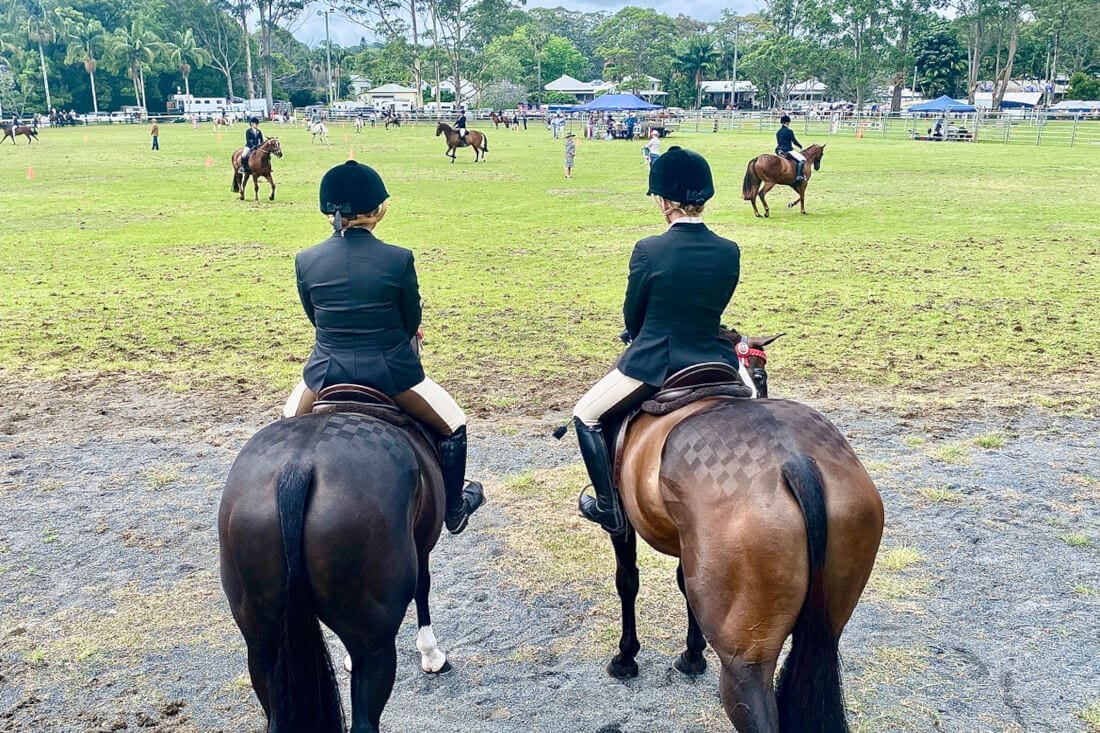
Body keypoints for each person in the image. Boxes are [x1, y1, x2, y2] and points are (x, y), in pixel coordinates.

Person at [283, 160, 486, 535]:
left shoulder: (306, 259)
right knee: (455, 424)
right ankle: (454, 508)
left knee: (286, 430)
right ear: (376, 210)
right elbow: (410, 320)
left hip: (324, 372)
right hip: (393, 374)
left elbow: (314, 317)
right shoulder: (398, 258)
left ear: (329, 211)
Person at [572, 147, 740, 535]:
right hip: (716, 360)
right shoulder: (729, 251)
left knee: (586, 415)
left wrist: (635, 333)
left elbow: (633, 316)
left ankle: (608, 507)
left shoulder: (649, 250)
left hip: (656, 361)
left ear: (665, 202)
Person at [776, 114, 806, 183]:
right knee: (802, 159)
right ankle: (799, 176)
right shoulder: (789, 131)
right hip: (787, 150)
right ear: (787, 122)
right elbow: (794, 141)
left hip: (778, 150)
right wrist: (800, 146)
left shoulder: (778, 132)